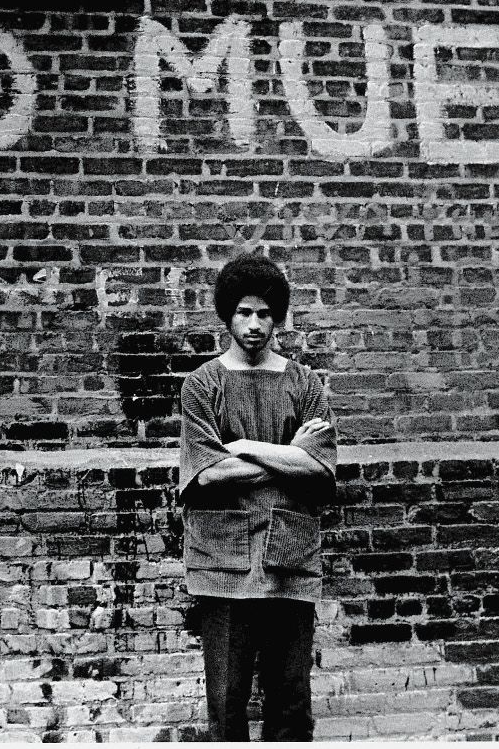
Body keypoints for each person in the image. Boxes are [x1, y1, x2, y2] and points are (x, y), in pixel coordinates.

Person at [178, 252, 336, 741]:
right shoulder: (203, 385)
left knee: (290, 706)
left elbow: (320, 469)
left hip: (290, 557)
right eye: (244, 312)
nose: (254, 324)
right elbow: (207, 475)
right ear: (227, 315)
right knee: (227, 707)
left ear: (278, 318)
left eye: (264, 313)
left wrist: (246, 446)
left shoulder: (304, 383)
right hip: (222, 564)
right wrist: (287, 455)